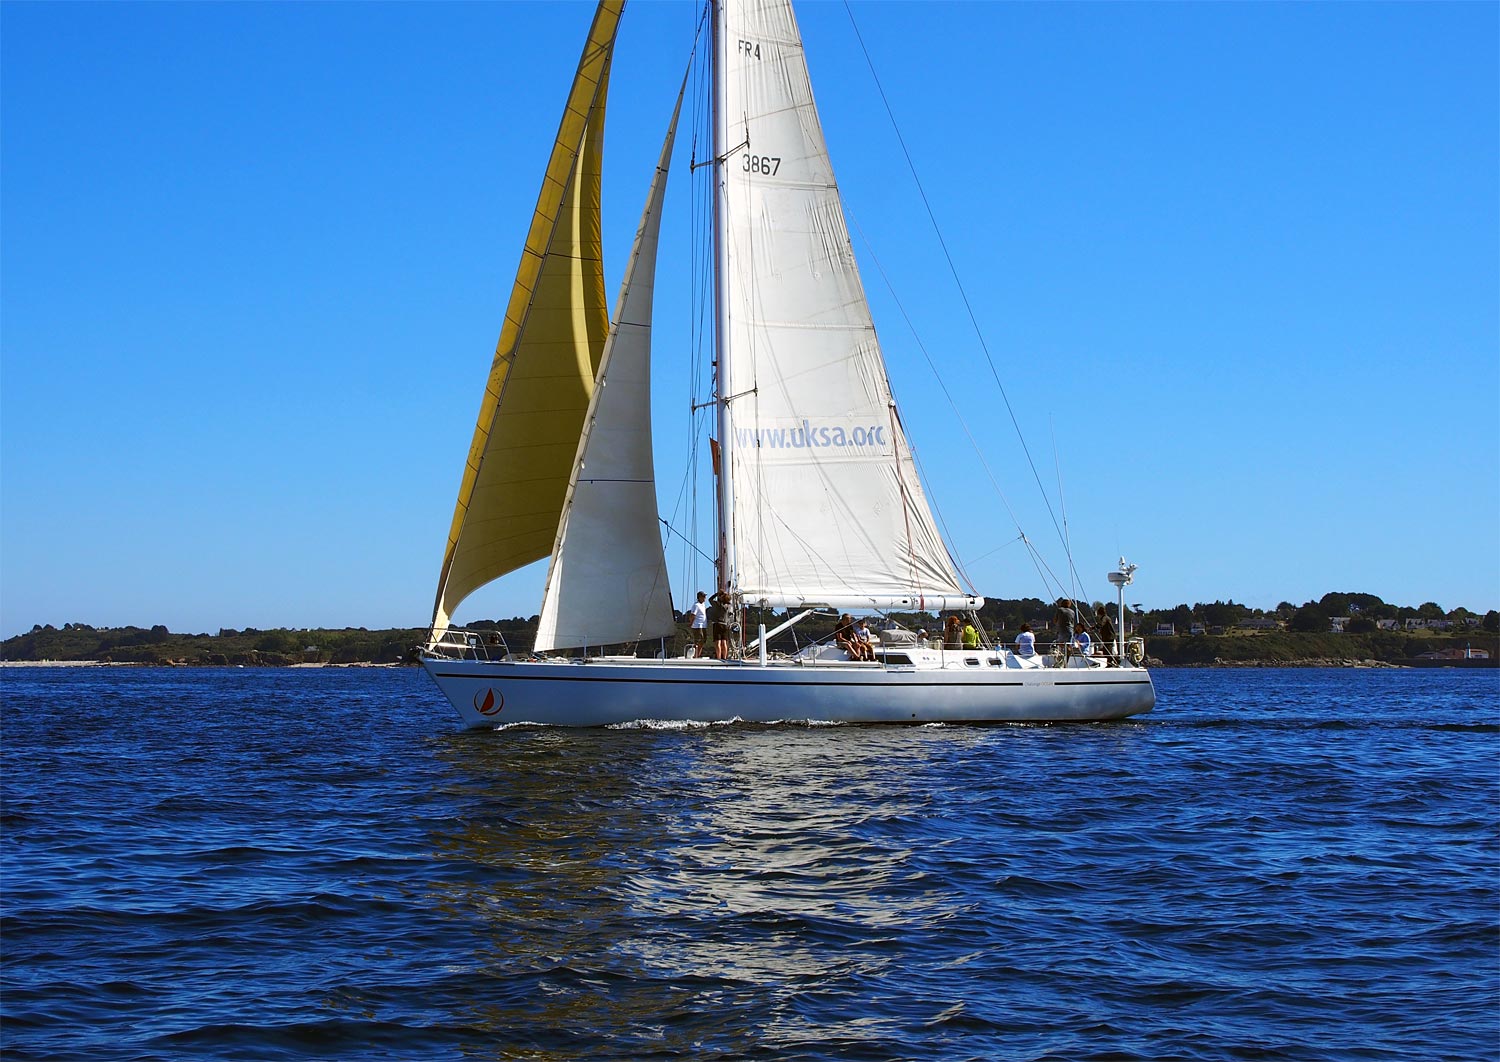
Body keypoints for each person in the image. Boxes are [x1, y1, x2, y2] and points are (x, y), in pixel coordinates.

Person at [684, 591, 708, 657]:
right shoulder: (696, 605)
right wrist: (691, 623)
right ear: (699, 597)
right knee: (698, 641)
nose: (705, 598)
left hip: (703, 625)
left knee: (702, 641)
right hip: (697, 626)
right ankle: (695, 655)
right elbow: (693, 615)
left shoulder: (703, 605)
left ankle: (697, 654)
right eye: (703, 597)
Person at [708, 591, 731, 660]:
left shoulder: (718, 605)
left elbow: (710, 599)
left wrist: (716, 594)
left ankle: (719, 658)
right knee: (724, 642)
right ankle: (725, 658)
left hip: (717, 624)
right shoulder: (729, 606)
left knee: (718, 642)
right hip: (725, 625)